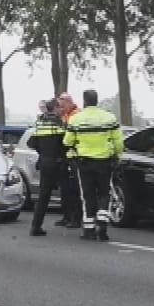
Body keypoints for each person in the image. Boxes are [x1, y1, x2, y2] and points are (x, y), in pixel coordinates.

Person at [63, 89, 123, 241]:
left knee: (87, 195)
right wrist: (117, 155)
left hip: (84, 162)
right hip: (104, 162)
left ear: (84, 101)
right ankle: (102, 224)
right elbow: (118, 141)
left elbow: (67, 141)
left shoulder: (76, 119)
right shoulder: (109, 118)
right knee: (104, 193)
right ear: (97, 100)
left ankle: (89, 230)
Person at [25, 99, 69, 236]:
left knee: (43, 195)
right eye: (60, 107)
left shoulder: (40, 123)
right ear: (54, 108)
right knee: (68, 191)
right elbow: (67, 143)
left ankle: (35, 226)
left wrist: (42, 152)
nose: (61, 110)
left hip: (44, 162)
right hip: (58, 162)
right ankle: (72, 219)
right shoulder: (59, 124)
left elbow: (30, 143)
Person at [54, 92, 83, 228]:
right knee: (66, 190)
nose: (61, 108)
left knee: (74, 190)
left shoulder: (77, 115)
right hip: (66, 158)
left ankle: (76, 218)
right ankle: (67, 216)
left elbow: (70, 139)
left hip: (75, 157)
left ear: (68, 102)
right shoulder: (65, 115)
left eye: (62, 106)